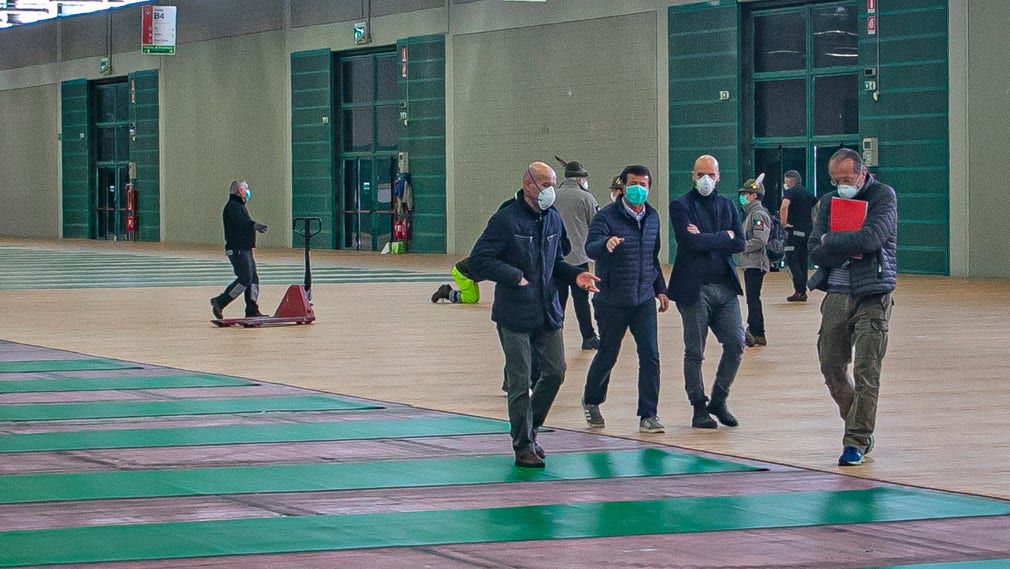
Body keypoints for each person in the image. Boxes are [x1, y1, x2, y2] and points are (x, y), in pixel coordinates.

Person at [469, 161, 600, 468]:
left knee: (555, 372)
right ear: (528, 185)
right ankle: (523, 445)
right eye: (544, 184)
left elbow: (555, 263)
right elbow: (479, 260)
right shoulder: (505, 220)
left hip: (547, 311)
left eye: (552, 184)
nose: (549, 190)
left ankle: (531, 427)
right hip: (514, 314)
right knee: (519, 381)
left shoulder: (553, 219)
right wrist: (513, 275)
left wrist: (574, 276)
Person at [808, 148, 897, 467]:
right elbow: (815, 250)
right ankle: (854, 418)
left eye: (847, 179)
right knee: (831, 364)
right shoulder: (829, 203)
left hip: (872, 293)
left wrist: (833, 240)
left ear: (862, 174)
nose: (841, 184)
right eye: (835, 180)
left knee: (867, 369)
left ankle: (856, 440)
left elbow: (871, 238)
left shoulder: (883, 196)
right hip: (836, 291)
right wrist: (838, 242)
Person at [581, 165, 669, 433]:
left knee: (651, 356)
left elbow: (652, 258)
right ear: (622, 186)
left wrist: (661, 289)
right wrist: (605, 245)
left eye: (643, 184)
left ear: (649, 188)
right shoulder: (606, 217)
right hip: (612, 299)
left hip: (643, 299)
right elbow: (590, 247)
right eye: (633, 184)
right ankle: (592, 400)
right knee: (608, 352)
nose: (638, 189)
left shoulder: (652, 218)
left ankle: (648, 415)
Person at [667, 155, 746, 429]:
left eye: (710, 175)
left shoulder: (727, 205)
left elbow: (741, 243)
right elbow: (689, 242)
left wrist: (709, 238)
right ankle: (698, 405)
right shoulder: (680, 205)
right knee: (694, 351)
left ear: (718, 176)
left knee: (736, 342)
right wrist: (724, 237)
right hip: (693, 288)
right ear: (692, 175)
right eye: (700, 174)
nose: (705, 180)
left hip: (725, 287)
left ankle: (719, 399)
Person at [553, 156, 600, 350]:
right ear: (580, 179)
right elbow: (596, 224)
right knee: (582, 302)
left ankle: (554, 338)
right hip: (579, 259)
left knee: (557, 301)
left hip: (557, 259)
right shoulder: (586, 198)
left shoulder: (553, 196)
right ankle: (588, 337)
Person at [210, 179, 268, 319]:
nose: (248, 191)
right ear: (239, 191)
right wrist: (254, 225)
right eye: (246, 188)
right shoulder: (233, 206)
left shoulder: (239, 206)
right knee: (245, 278)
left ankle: (252, 309)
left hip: (245, 249)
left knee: (253, 279)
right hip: (238, 249)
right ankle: (221, 301)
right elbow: (240, 221)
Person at [738, 175, 772, 347]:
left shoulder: (758, 214)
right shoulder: (750, 213)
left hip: (756, 262)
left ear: (754, 195)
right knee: (752, 297)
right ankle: (756, 331)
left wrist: (740, 246)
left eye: (746, 193)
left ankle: (756, 331)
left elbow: (760, 240)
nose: (743, 196)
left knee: (753, 297)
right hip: (750, 261)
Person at [780, 170, 818, 301]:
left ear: (791, 181)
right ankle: (801, 293)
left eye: (785, 181)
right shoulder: (807, 192)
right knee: (802, 261)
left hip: (794, 231)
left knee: (791, 259)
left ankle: (800, 288)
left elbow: (784, 206)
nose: (784, 183)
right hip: (807, 231)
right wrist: (814, 220)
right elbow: (818, 204)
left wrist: (784, 223)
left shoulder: (790, 192)